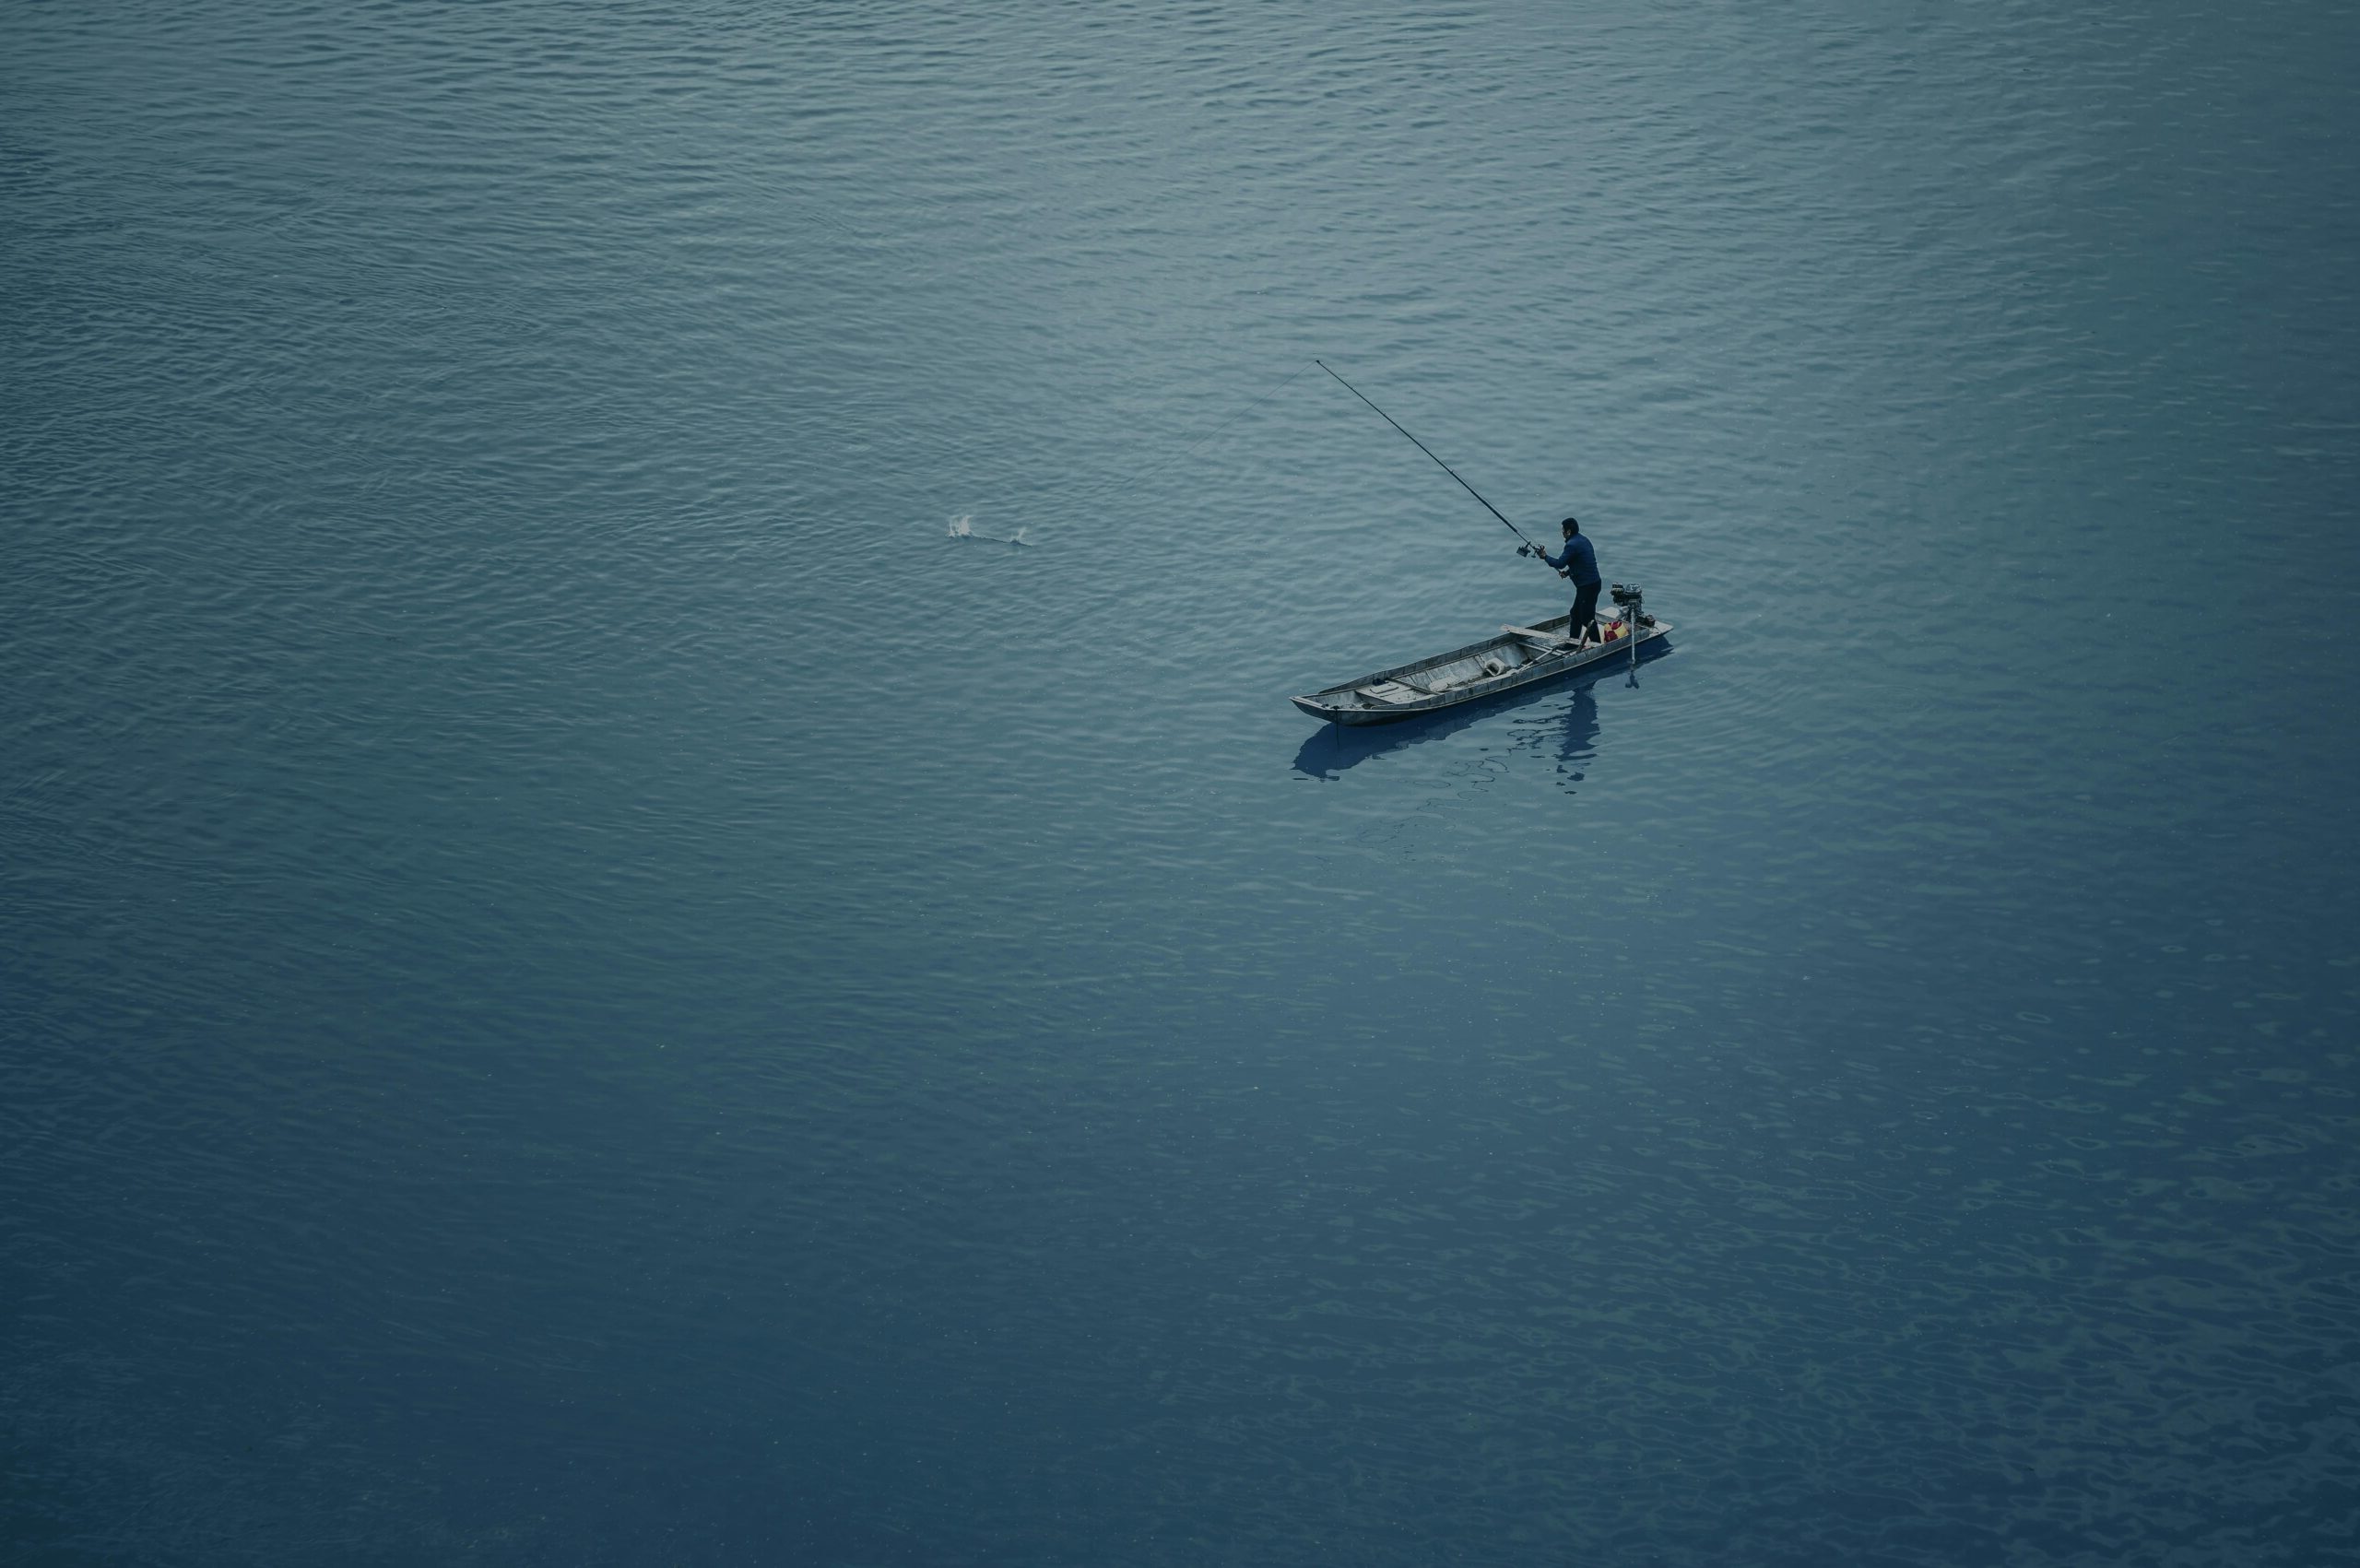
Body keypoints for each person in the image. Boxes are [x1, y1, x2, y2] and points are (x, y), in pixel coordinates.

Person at [1539, 515, 1602, 645]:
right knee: (1575, 613)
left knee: (1587, 619)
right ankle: (1573, 642)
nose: (1562, 533)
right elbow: (1581, 562)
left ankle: (1597, 645)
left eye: (1563, 531)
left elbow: (1560, 563)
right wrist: (1568, 573)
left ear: (1568, 531)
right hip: (1591, 584)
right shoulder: (1583, 540)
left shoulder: (1571, 545)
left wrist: (1545, 557)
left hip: (1588, 587)